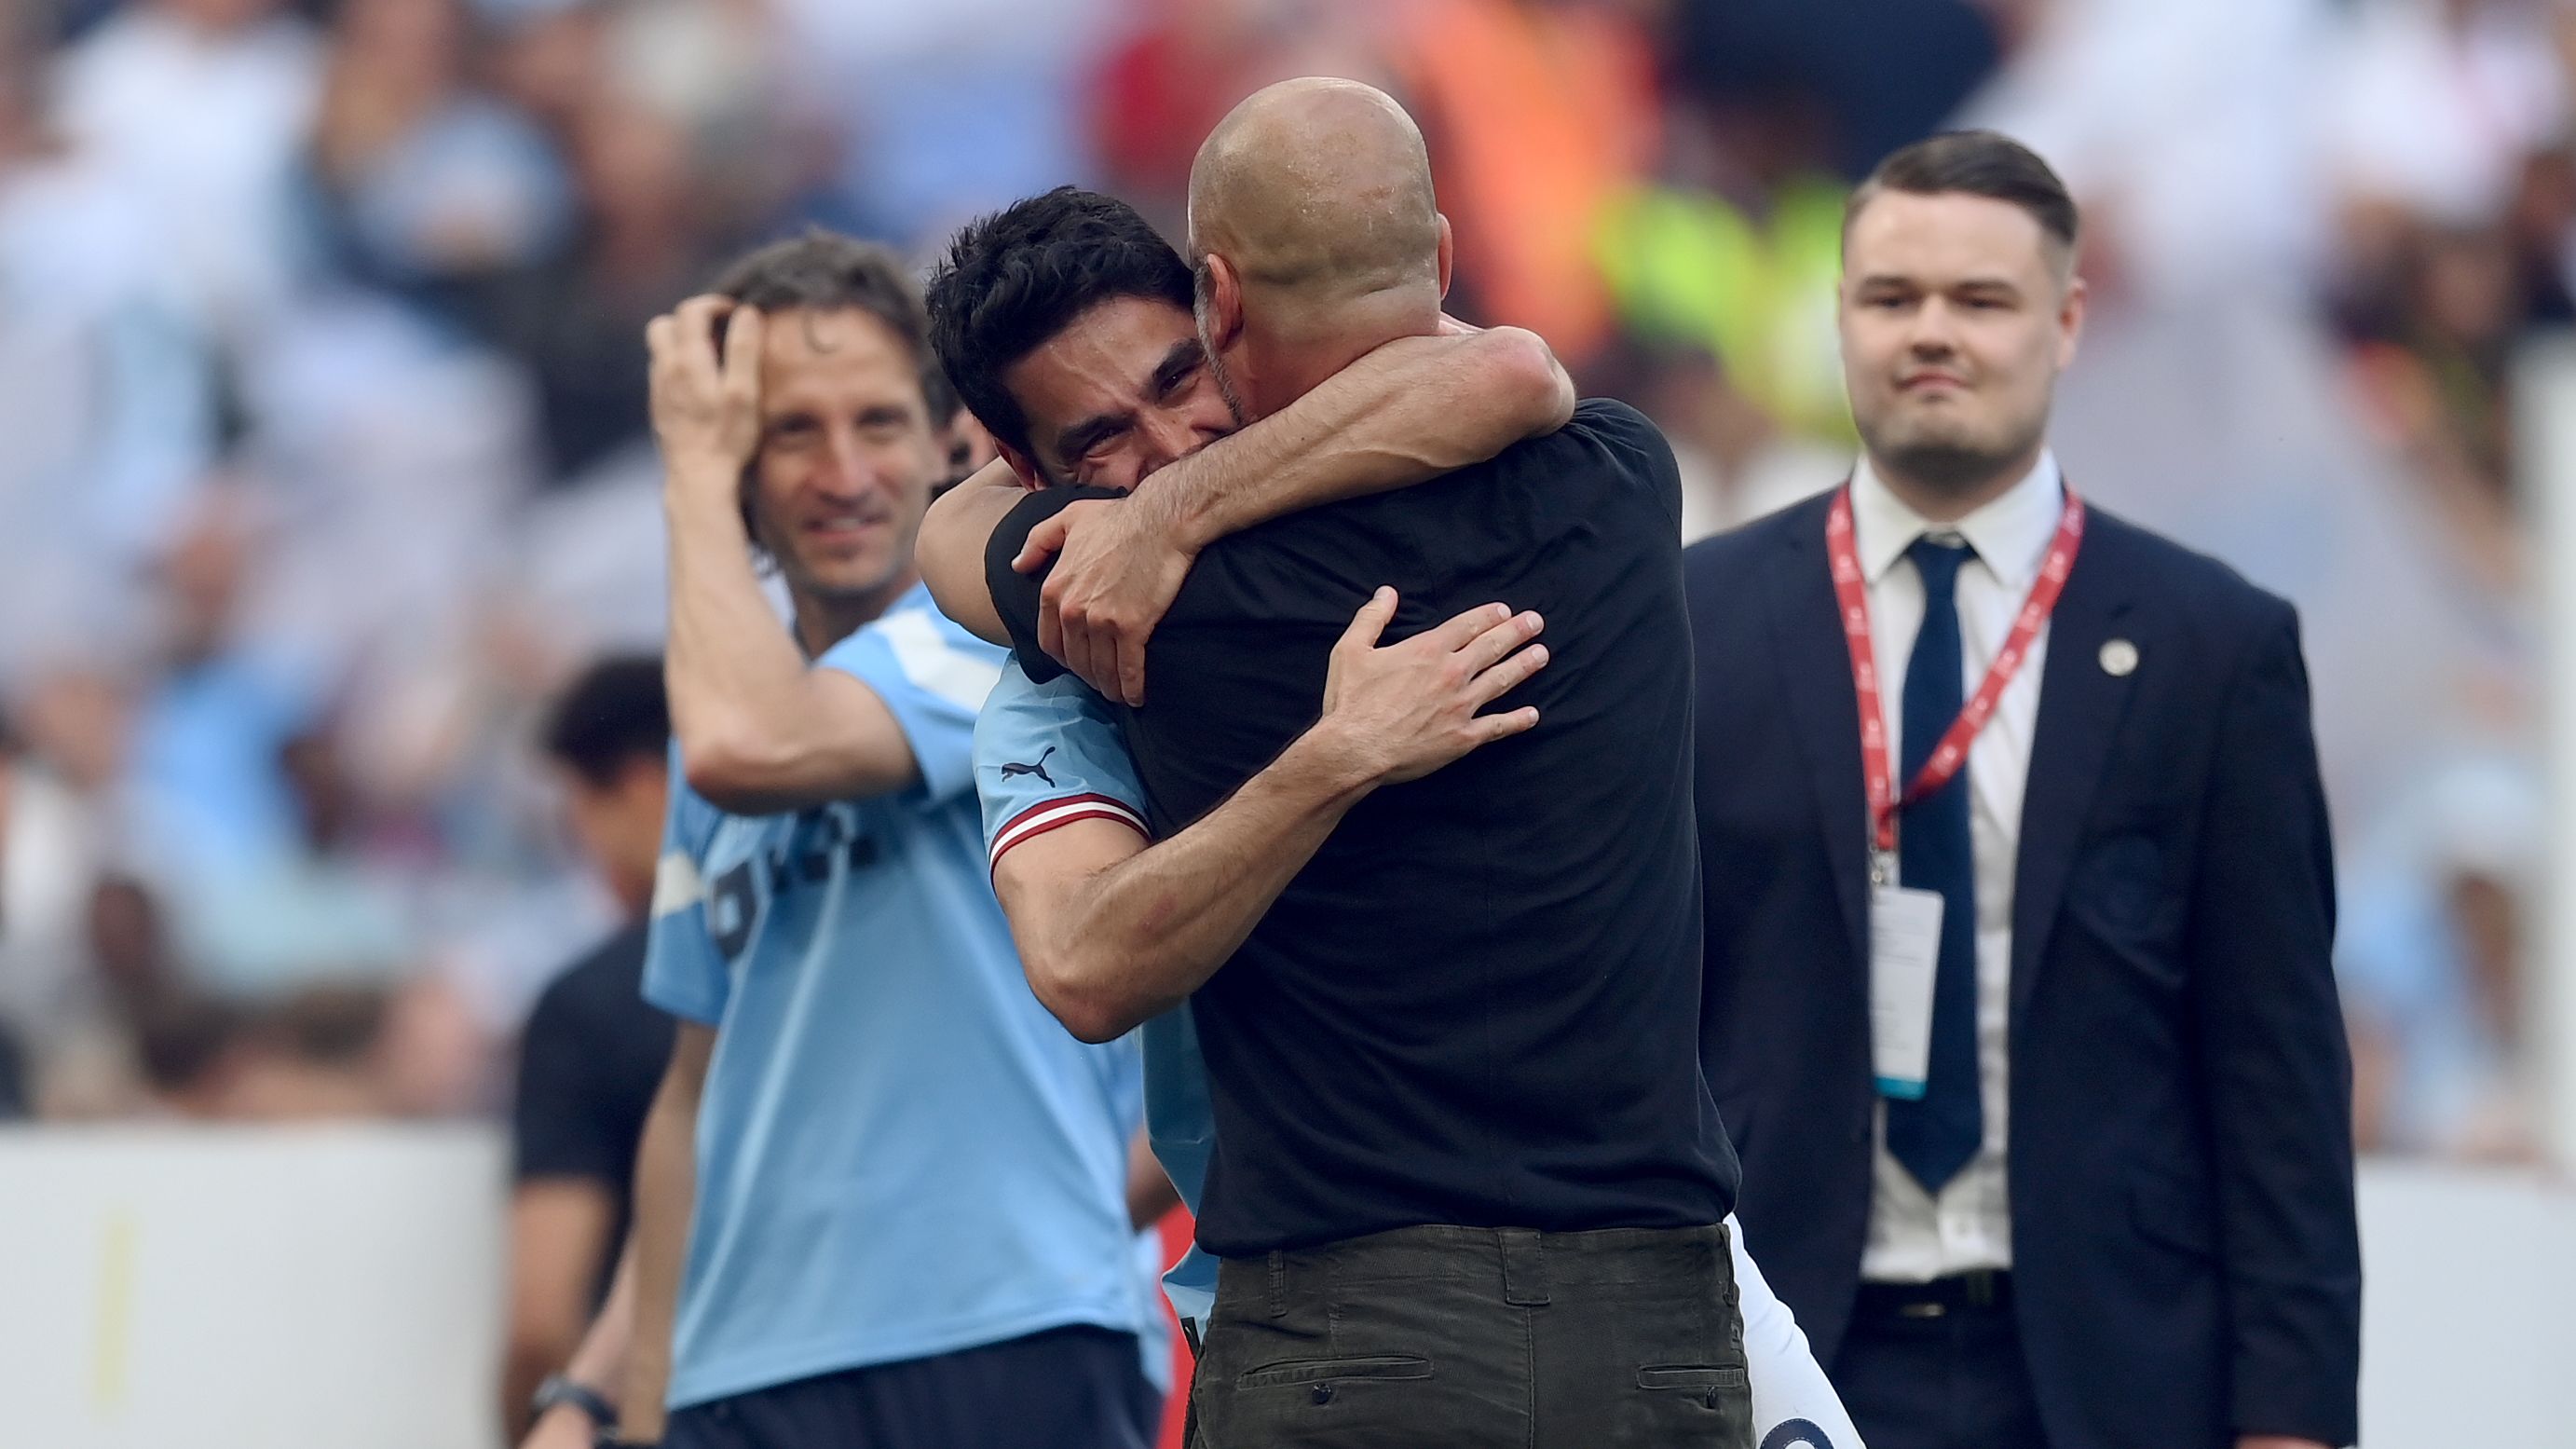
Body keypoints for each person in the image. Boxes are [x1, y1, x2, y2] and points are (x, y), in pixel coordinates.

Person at [920, 183, 1860, 1448]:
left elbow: (1511, 372)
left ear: (1226, 317)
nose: (1174, 436)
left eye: (1179, 373)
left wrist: (1162, 510)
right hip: (1319, 1282)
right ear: (1028, 473)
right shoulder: (1063, 672)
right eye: (1104, 441)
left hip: (1634, 1250)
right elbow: (1084, 962)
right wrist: (1331, 760)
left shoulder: (1414, 490)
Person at [1684, 130, 2359, 1449]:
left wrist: (2292, 1415)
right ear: (1839, 320)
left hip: (2112, 1368)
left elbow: (2277, 1071)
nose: (1931, 333)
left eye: (1979, 300)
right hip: (1777, 1358)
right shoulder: (1696, 622)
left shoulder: (2210, 645)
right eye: (1891, 298)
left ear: (2066, 321)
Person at [520, 233, 1164, 1449]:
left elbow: (750, 744)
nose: (842, 470)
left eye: (875, 420)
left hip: (1005, 1339)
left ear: (944, 446)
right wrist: (603, 1394)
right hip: (740, 1372)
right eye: (790, 431)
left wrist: (689, 482)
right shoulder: (727, 704)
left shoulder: (998, 655)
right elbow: (696, 1095)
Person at [506, 655, 680, 1440]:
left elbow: (544, 1314)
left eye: (577, 811)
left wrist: (545, 1414)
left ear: (640, 790)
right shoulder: (813, 948)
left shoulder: (586, 1006)